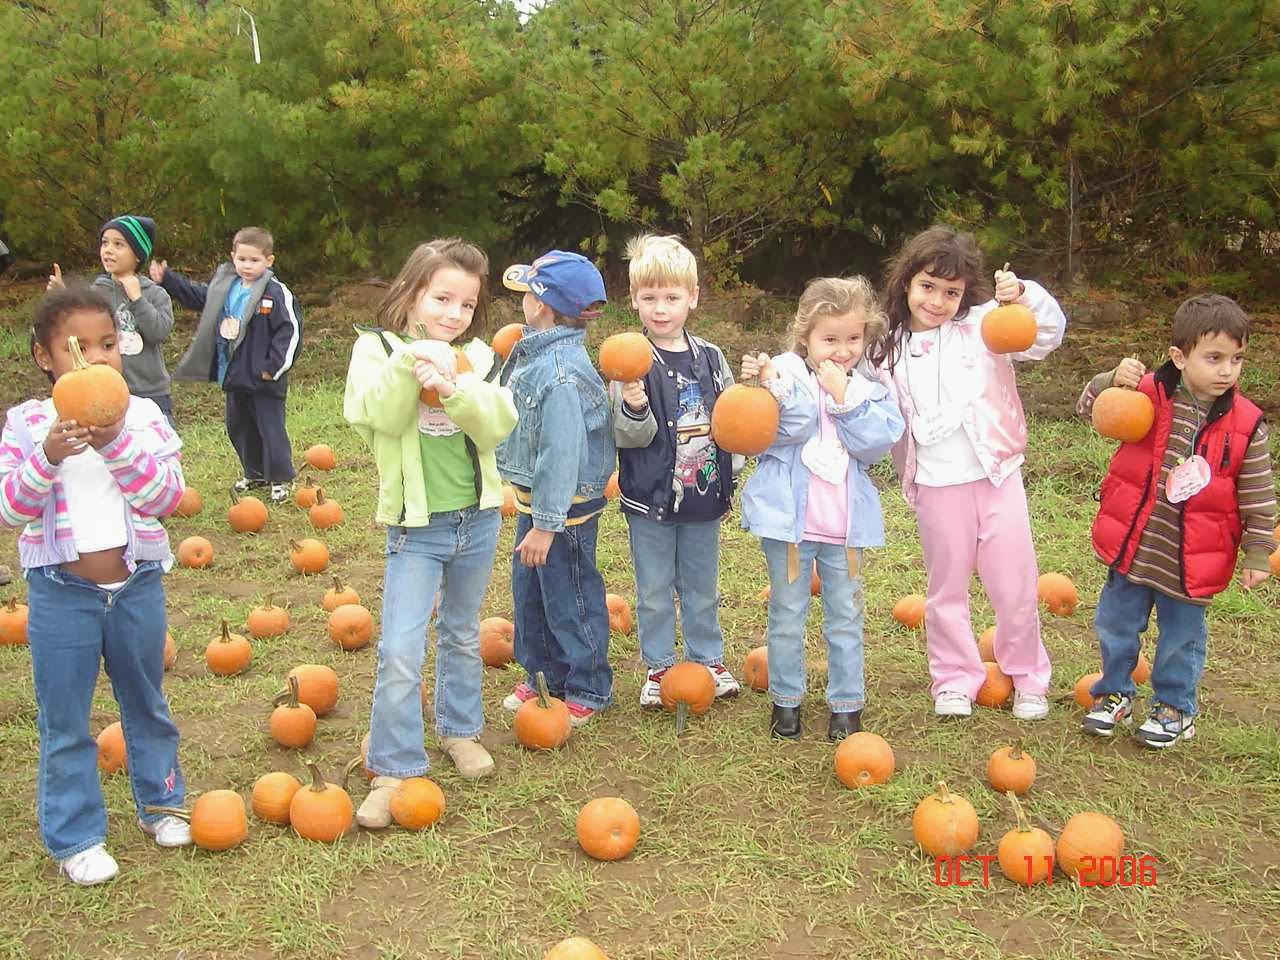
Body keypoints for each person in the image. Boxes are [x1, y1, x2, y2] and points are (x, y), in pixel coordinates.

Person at [0, 287, 190, 885]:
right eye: (77, 349)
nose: (96, 360)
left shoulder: (143, 417)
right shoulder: (28, 425)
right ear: (44, 357)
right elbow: (10, 509)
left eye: (107, 345)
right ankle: (76, 835)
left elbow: (165, 498)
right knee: (66, 717)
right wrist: (48, 457)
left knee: (146, 703)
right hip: (61, 593)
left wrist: (115, 445)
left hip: (135, 587)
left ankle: (161, 805)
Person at [344, 238, 517, 825]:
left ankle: (461, 730)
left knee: (464, 632)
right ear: (412, 293)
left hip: (478, 518)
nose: (453, 314)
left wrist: (454, 386)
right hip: (416, 528)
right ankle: (393, 766)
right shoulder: (376, 351)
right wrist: (409, 365)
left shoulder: (478, 358)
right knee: (399, 648)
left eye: (465, 305)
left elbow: (496, 426)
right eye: (441, 298)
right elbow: (380, 417)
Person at [868, 225, 1066, 720]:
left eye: (951, 292)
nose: (937, 301)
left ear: (966, 294)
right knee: (946, 589)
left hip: (998, 476)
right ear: (907, 284)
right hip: (937, 485)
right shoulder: (885, 350)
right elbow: (855, 391)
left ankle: (1027, 676)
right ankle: (954, 679)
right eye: (927, 287)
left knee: (1015, 583)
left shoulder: (985, 327)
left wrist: (1022, 297)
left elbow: (1044, 334)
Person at [1077, 294, 1275, 747]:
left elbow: (1259, 494)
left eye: (1237, 359)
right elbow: (1091, 409)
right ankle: (1114, 693)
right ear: (1179, 357)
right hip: (1137, 544)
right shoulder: (1148, 394)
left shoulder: (1247, 424)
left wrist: (1260, 551)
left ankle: (1174, 707)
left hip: (1195, 557)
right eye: (1214, 358)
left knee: (1181, 638)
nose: (1227, 370)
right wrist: (1111, 380)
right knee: (1116, 623)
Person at [740, 277, 904, 740]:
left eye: (853, 339)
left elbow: (873, 444)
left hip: (844, 528)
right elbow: (784, 430)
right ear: (805, 338)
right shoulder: (787, 379)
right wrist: (775, 385)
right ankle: (786, 701)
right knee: (788, 613)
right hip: (790, 526)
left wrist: (845, 398)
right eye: (829, 339)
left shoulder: (869, 388)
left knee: (846, 615)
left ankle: (847, 705)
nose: (842, 350)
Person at [611, 234, 741, 706]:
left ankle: (708, 658)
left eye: (671, 297)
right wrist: (633, 406)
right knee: (653, 588)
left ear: (693, 297)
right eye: (649, 299)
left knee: (701, 584)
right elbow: (628, 437)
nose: (660, 309)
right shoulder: (628, 361)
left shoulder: (711, 357)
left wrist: (729, 483)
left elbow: (732, 422)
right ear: (634, 301)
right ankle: (659, 664)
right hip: (649, 496)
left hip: (703, 494)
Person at [496, 250, 617, 725]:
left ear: (541, 305)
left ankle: (587, 683)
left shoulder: (562, 374)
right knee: (529, 591)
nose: (522, 300)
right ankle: (544, 672)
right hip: (537, 501)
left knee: (570, 595)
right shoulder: (535, 350)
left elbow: (562, 455)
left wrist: (546, 525)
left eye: (526, 292)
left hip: (564, 509)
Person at [151, 227, 301, 503]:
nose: (247, 265)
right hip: (234, 372)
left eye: (254, 260)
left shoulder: (275, 293)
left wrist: (274, 367)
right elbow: (200, 297)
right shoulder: (226, 286)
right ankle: (254, 472)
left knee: (270, 428)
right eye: (242, 259)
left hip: (264, 377)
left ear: (269, 261)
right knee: (240, 426)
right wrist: (169, 280)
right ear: (233, 257)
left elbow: (289, 332)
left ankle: (280, 478)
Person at [47, 215, 176, 421]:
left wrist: (137, 299)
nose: (108, 250)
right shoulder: (97, 292)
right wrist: (62, 297)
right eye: (105, 243)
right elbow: (76, 330)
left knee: (153, 449)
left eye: (118, 244)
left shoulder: (155, 294)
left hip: (150, 391)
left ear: (137, 255)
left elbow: (158, 332)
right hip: (103, 388)